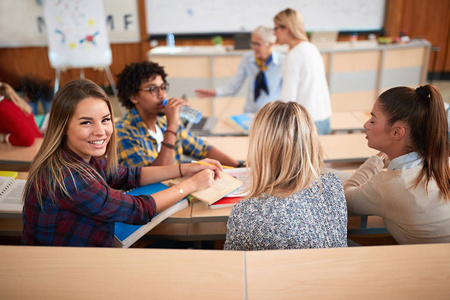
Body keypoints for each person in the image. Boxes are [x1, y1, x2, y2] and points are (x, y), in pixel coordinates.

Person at [22, 78, 222, 247]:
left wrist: (184, 168)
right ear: (62, 126)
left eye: (106, 120)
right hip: (66, 271)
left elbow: (126, 175)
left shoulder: (80, 157)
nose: (100, 131)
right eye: (86, 122)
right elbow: (139, 210)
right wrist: (191, 184)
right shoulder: (69, 177)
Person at [224, 101, 347, 251]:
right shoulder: (333, 186)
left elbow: (235, 265)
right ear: (310, 143)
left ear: (259, 149)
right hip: (337, 273)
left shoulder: (246, 213)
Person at [344, 85, 450, 244]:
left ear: (397, 133)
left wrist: (378, 159)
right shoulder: (442, 163)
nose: (366, 124)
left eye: (373, 120)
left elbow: (345, 195)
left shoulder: (391, 185)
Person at [116, 61, 240, 168]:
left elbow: (203, 149)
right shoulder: (123, 132)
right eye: (153, 89)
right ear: (133, 97)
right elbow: (153, 178)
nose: (162, 95)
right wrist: (172, 127)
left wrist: (239, 167)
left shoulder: (162, 122)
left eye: (163, 87)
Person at [195, 26, 284, 114]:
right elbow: (234, 86)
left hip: (272, 114)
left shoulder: (282, 61)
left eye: (257, 44)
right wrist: (215, 92)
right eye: (252, 43)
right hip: (250, 112)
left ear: (270, 44)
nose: (253, 47)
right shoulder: (247, 59)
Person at [273, 8, 332, 135]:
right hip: (324, 117)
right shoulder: (311, 48)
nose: (274, 34)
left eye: (276, 28)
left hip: (307, 122)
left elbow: (288, 99)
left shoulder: (294, 55)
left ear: (287, 28)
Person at [0, 81, 42, 146]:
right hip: (39, 145)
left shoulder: (3, 109)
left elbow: (28, 139)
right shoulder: (11, 102)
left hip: (31, 150)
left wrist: (5, 138)